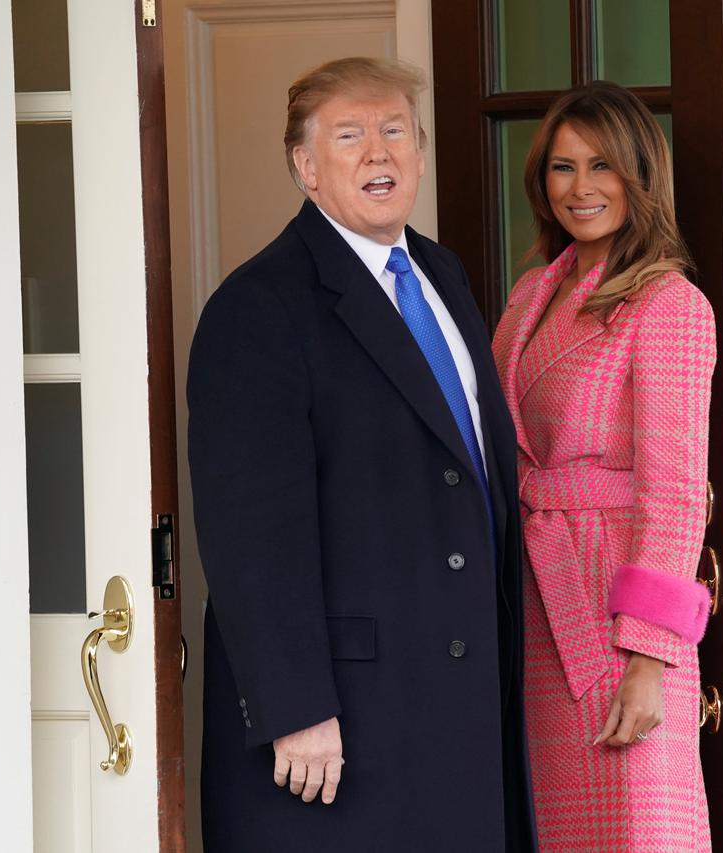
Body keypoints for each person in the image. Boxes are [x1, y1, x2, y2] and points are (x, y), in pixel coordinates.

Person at [188, 57, 535, 852]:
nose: (379, 153)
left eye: (394, 132)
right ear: (306, 167)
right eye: (350, 136)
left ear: (419, 151)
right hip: (341, 722)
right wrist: (294, 706)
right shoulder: (257, 308)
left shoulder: (443, 273)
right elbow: (249, 534)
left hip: (462, 704)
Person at [491, 81, 716, 851]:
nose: (580, 188)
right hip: (536, 596)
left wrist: (650, 656)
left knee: (637, 826)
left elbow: (678, 493)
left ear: (640, 176)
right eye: (562, 167)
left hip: (618, 616)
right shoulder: (530, 297)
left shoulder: (667, 302)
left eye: (602, 167)